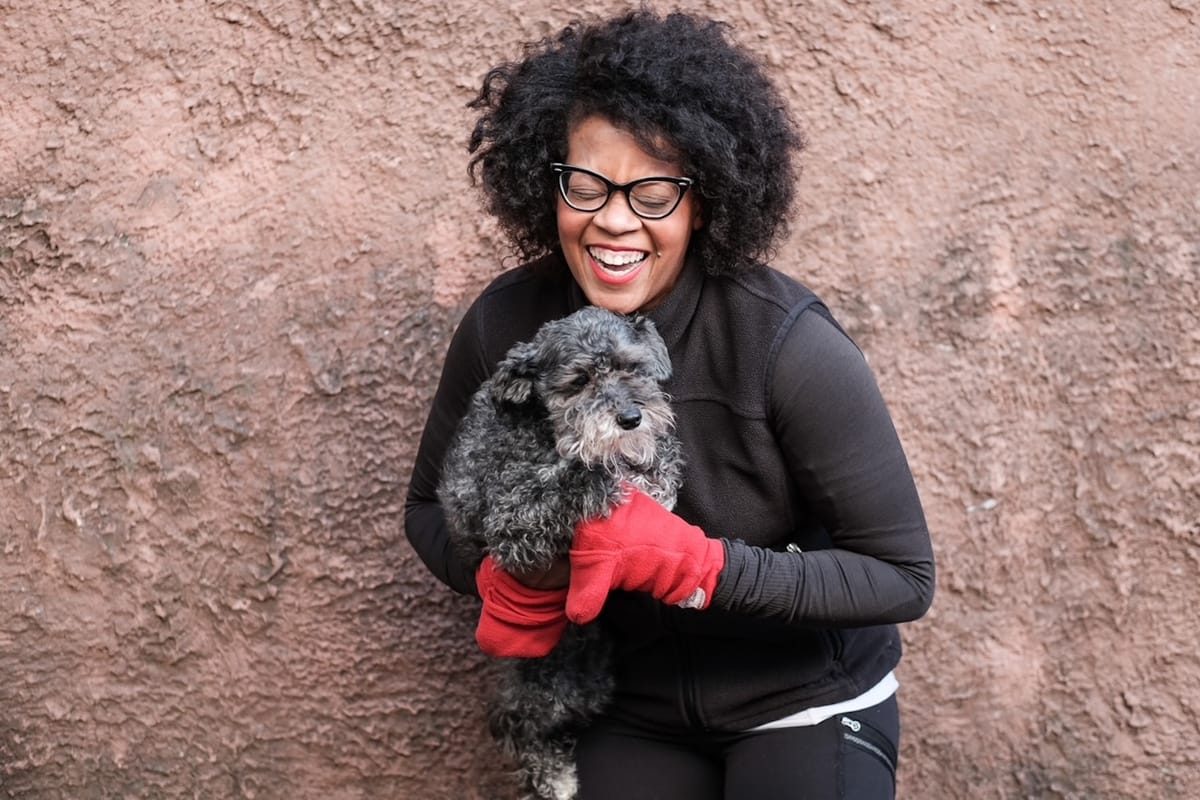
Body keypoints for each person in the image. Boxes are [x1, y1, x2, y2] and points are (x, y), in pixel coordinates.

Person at [405, 10, 935, 799]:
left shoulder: (784, 342)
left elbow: (902, 575)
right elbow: (425, 511)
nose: (614, 220)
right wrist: (512, 573)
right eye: (586, 185)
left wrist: (704, 568)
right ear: (548, 184)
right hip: (627, 704)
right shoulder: (509, 326)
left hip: (804, 698)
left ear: (703, 202)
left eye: (653, 192)